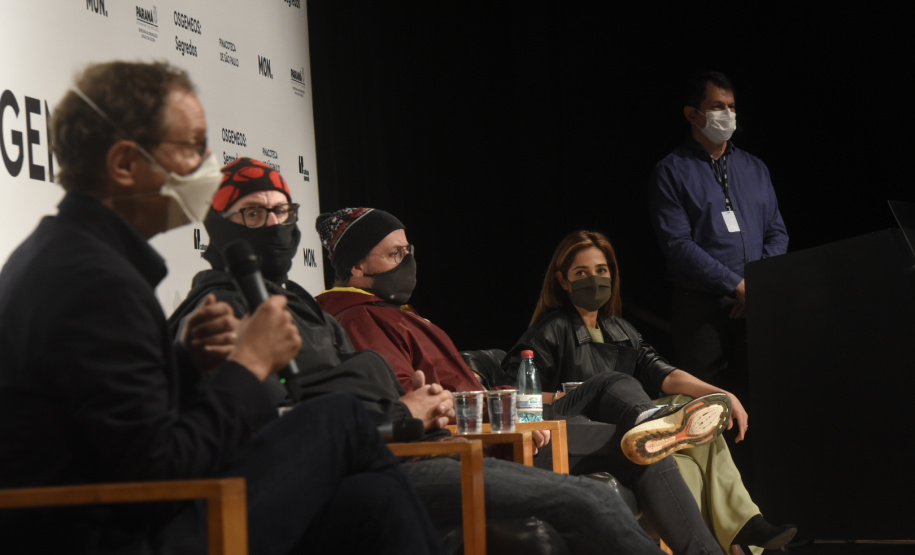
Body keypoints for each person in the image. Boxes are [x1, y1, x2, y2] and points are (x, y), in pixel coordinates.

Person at [0, 61, 442, 555]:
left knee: (372, 497)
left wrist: (185, 363)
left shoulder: (65, 253)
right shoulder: (96, 280)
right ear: (125, 164)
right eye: (190, 147)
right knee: (337, 418)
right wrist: (248, 366)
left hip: (117, 515)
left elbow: (113, 426)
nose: (206, 166)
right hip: (116, 537)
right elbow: (159, 473)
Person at [167, 159, 668, 554]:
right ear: (220, 224)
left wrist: (427, 405)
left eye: (282, 212)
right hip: (371, 459)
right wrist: (403, 415)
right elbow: (267, 424)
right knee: (589, 498)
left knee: (591, 496)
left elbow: (358, 384)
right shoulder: (215, 313)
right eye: (254, 213)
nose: (273, 224)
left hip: (405, 446)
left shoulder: (299, 302)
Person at [314, 206, 746, 554]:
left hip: (494, 424)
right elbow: (419, 406)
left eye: (410, 250)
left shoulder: (386, 313)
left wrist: (492, 401)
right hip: (476, 442)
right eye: (394, 254)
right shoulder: (361, 318)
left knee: (621, 400)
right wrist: (501, 418)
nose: (408, 262)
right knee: (635, 448)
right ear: (356, 267)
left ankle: (654, 421)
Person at [503, 229, 796, 554]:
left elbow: (666, 375)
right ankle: (655, 425)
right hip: (579, 425)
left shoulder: (621, 330)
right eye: (581, 273)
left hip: (629, 432)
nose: (594, 279)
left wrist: (723, 394)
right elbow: (509, 392)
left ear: (612, 276)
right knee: (626, 391)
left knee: (688, 414)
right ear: (563, 280)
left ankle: (743, 525)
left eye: (601, 271)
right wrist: (559, 396)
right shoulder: (551, 329)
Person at [648, 71, 788, 400]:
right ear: (692, 114)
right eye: (717, 106)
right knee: (711, 408)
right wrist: (736, 286)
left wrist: (758, 286)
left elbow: (777, 232)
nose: (728, 114)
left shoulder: (754, 167)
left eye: (732, 106)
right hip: (701, 310)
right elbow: (678, 245)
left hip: (755, 305)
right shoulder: (670, 171)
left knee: (762, 403)